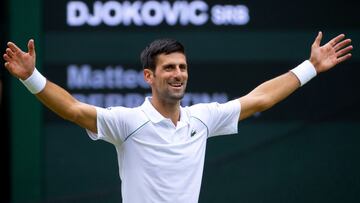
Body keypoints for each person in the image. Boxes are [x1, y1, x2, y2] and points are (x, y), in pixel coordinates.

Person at [3, 32, 352, 203]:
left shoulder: (201, 119)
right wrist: (31, 77)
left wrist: (311, 67)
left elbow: (259, 100)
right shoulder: (127, 122)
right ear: (148, 76)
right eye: (168, 67)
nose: (178, 74)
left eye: (182, 67)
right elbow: (73, 109)